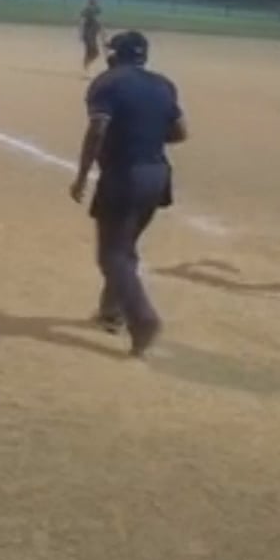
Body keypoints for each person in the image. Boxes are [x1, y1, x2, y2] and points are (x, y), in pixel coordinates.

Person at [69, 31, 186, 356]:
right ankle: (111, 312)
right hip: (157, 175)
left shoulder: (107, 83)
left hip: (124, 175)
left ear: (114, 56)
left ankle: (142, 318)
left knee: (112, 255)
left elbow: (97, 130)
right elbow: (180, 133)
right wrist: (146, 132)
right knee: (125, 245)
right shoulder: (163, 84)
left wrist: (82, 175)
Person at [78, 0, 104, 74]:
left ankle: (87, 66)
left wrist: (101, 31)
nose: (97, 0)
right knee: (92, 51)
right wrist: (81, 33)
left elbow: (99, 21)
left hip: (93, 33)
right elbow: (82, 21)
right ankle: (86, 68)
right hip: (88, 34)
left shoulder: (97, 9)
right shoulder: (87, 9)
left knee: (93, 52)